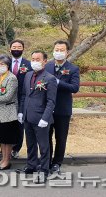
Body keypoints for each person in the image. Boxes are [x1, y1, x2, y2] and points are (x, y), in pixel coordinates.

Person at [18, 51, 57, 184]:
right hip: (28, 116)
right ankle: (31, 165)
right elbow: (24, 95)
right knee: (30, 144)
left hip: (41, 117)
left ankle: (44, 170)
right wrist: (21, 112)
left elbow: (51, 101)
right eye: (33, 59)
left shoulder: (50, 78)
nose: (34, 61)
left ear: (45, 61)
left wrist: (45, 118)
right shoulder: (28, 74)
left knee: (44, 146)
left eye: (38, 59)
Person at [45, 40, 80, 173]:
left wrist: (58, 82)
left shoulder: (73, 68)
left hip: (63, 108)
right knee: (46, 136)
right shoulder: (47, 66)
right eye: (56, 50)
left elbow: (74, 88)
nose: (58, 52)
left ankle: (57, 162)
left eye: (61, 50)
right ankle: (46, 160)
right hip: (47, 108)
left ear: (67, 52)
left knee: (60, 137)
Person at [0, 55, 19, 170]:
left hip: (8, 113)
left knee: (8, 139)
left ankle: (7, 160)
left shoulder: (12, 78)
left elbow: (8, 96)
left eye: (2, 64)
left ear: (8, 66)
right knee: (1, 138)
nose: (0, 67)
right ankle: (3, 159)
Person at [9, 39, 32, 159]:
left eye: (19, 47)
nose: (16, 49)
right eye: (14, 47)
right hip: (6, 98)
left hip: (22, 98)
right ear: (10, 49)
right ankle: (5, 149)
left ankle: (16, 149)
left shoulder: (28, 64)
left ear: (23, 49)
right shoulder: (5, 62)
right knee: (7, 125)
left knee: (19, 124)